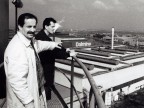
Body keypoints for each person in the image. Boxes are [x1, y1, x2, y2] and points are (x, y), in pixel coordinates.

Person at [4, 13, 62, 108]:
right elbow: (17, 81)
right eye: (29, 26)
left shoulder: (28, 41)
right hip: (25, 101)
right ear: (19, 26)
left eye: (34, 26)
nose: (33, 30)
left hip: (36, 90)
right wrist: (29, 103)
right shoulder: (17, 48)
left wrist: (54, 44)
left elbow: (39, 44)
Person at [35, 18, 75, 101]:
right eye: (52, 26)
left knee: (44, 90)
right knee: (45, 92)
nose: (54, 29)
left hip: (43, 69)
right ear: (46, 26)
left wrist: (64, 50)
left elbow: (54, 47)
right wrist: (68, 54)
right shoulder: (43, 38)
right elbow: (53, 52)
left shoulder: (42, 36)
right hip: (44, 69)